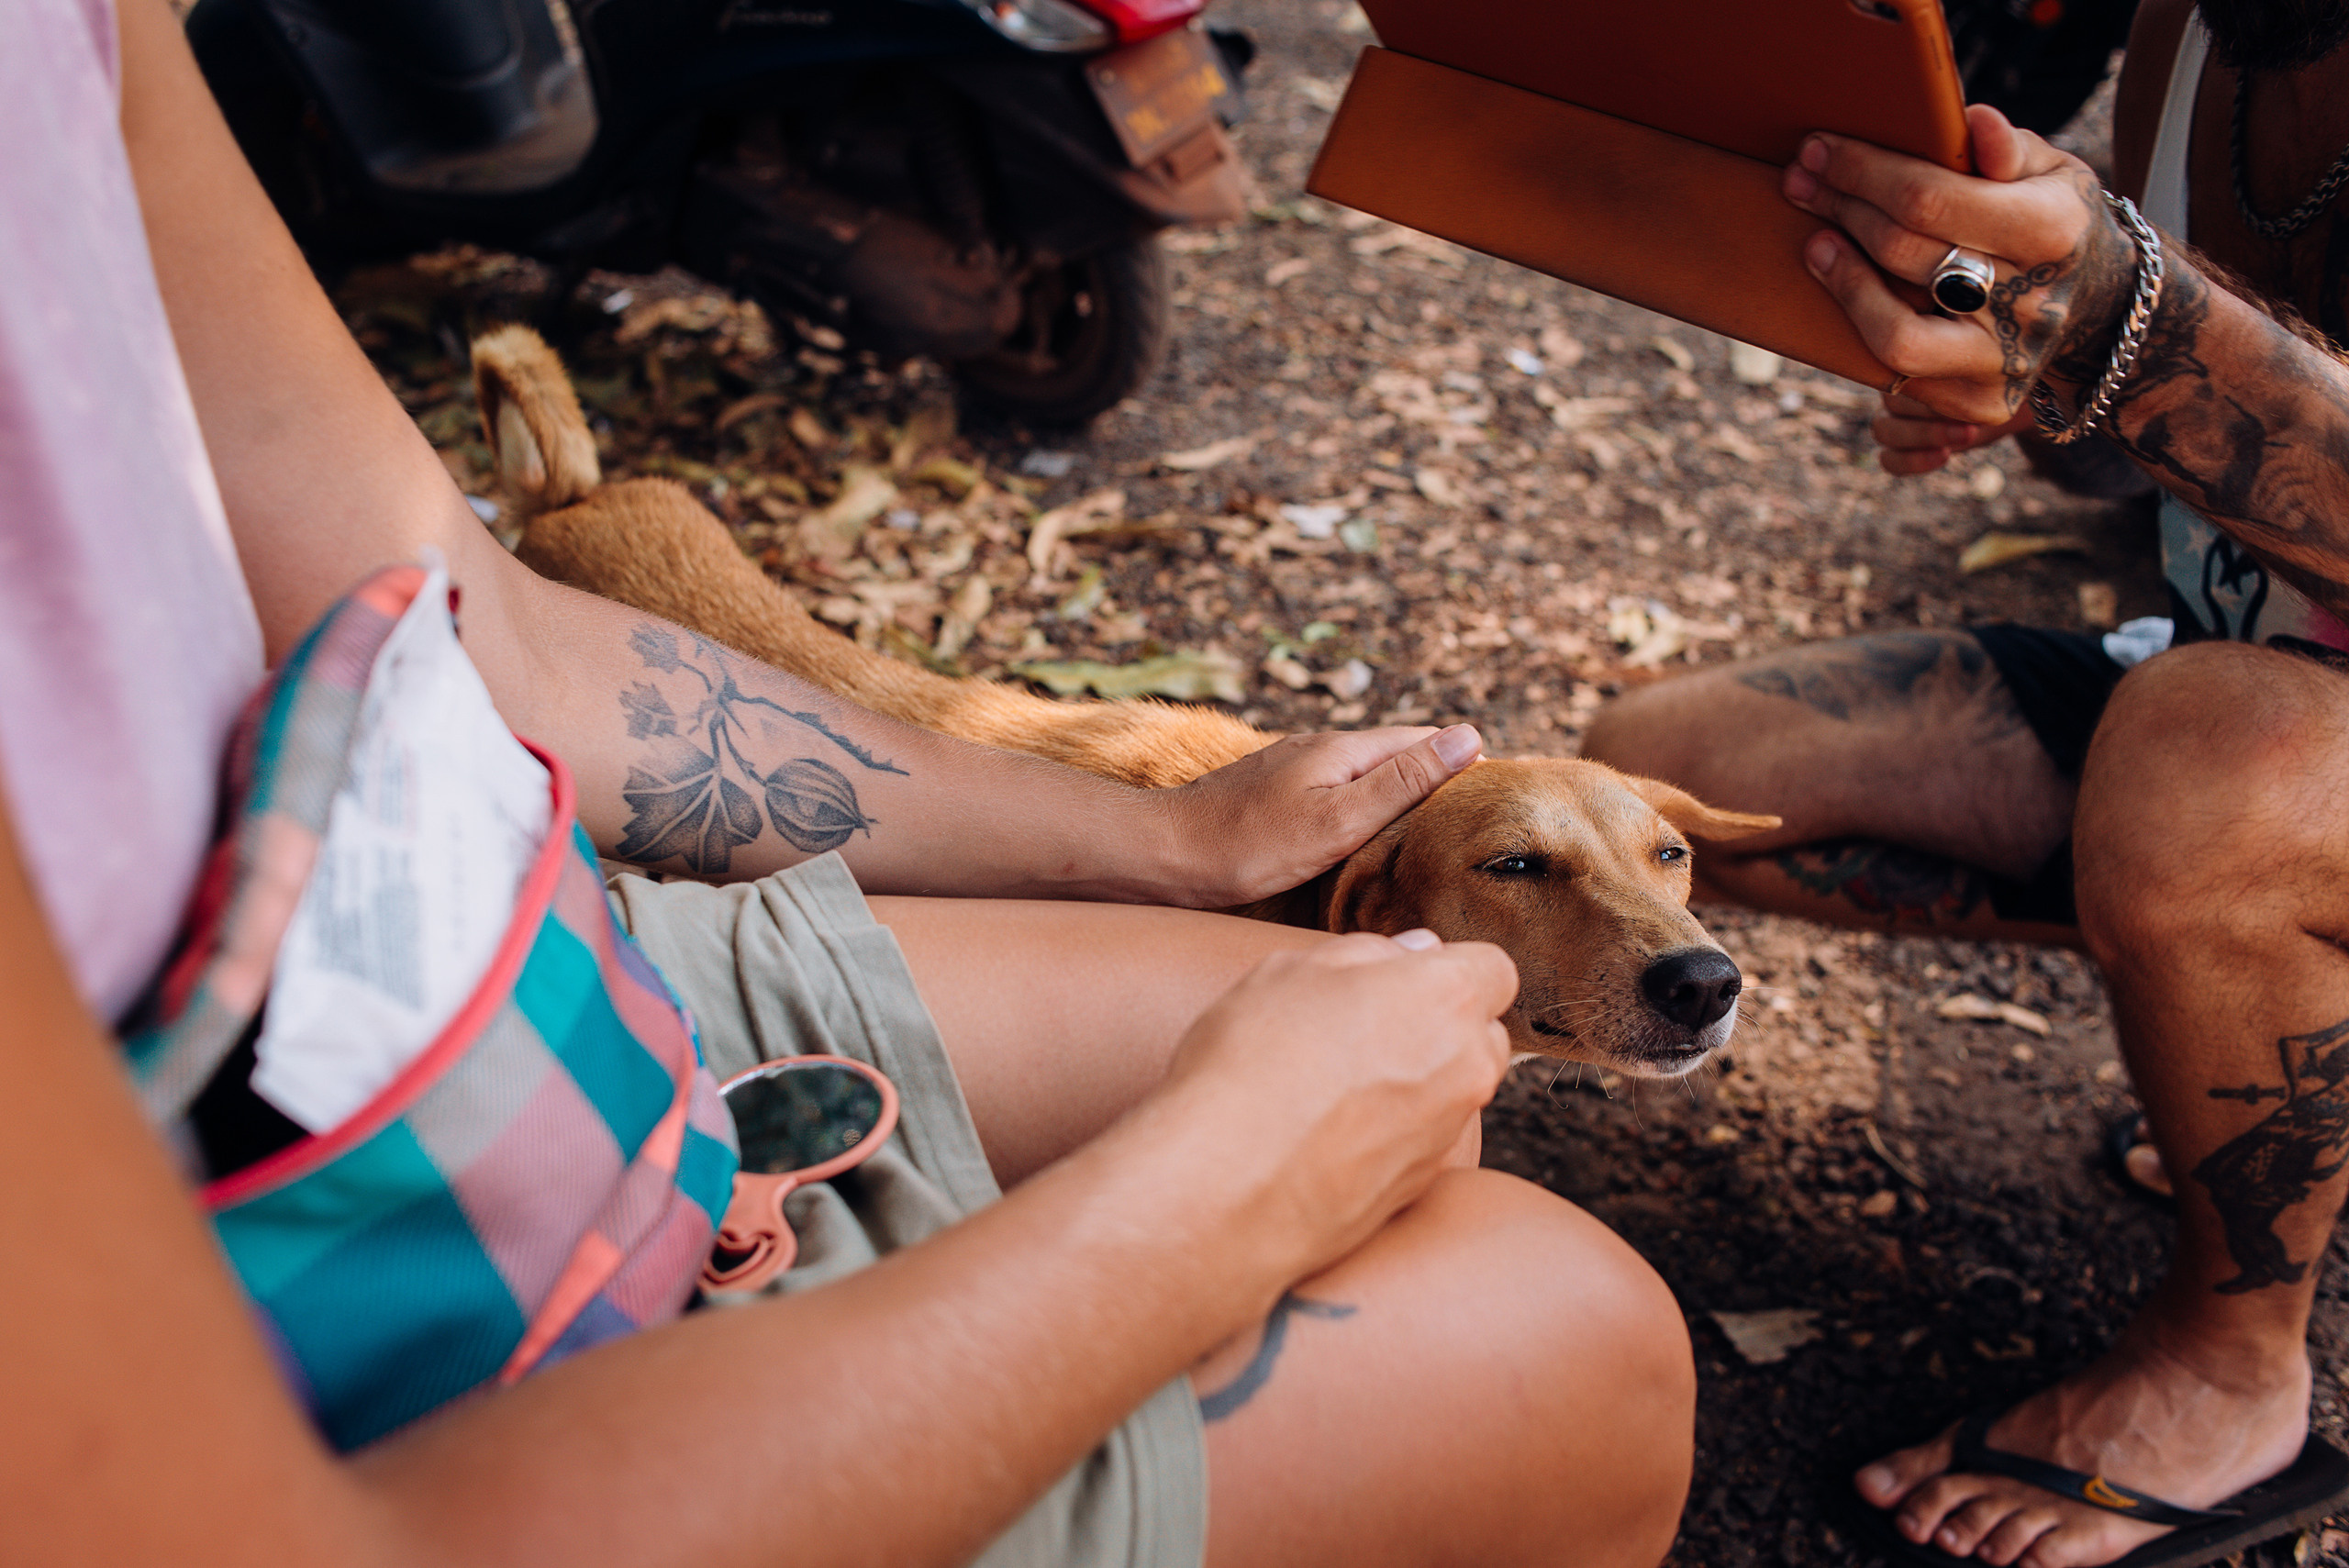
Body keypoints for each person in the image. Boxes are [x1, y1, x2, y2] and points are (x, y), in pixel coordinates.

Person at [0, 2, 1699, 1564]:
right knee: (1591, 1353)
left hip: (505, 969)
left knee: (1398, 1078)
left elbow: (492, 645)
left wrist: (1169, 836)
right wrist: (1213, 1190)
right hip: (380, 1313)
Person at [1582, 1, 2349, 1562]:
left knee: (2208, 776)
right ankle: (2286, 1015)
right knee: (1665, 788)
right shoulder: (2205, 33)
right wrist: (2015, 350)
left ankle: (2230, 1365)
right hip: (2247, 660)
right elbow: (2146, 412)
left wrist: (2137, 327)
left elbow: (2163, 340)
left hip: (2252, 737)